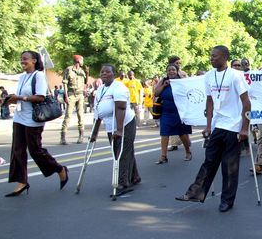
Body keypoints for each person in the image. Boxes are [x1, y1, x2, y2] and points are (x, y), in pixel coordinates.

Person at [175, 45, 251, 212]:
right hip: (218, 125)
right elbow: (209, 101)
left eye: (215, 56)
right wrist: (208, 125)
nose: (211, 58)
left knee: (229, 166)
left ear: (224, 57)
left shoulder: (236, 76)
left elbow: (247, 103)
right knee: (209, 161)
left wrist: (244, 128)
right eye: (211, 56)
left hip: (233, 126)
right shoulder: (208, 76)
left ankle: (227, 201)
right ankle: (195, 193)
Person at [4, 50, 69, 197]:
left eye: (25, 59)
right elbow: (20, 96)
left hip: (33, 119)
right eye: (21, 59)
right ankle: (22, 182)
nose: (22, 61)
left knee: (35, 151)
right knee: (17, 150)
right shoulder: (22, 77)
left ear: (34, 60)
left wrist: (20, 98)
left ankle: (60, 169)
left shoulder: (39, 76)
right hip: (19, 118)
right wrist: (12, 99)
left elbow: (40, 97)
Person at [90, 64, 141, 196]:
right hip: (110, 125)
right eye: (102, 72)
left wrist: (119, 130)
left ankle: (123, 182)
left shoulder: (119, 88)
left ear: (114, 74)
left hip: (125, 123)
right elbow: (98, 113)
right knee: (120, 150)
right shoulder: (100, 90)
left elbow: (121, 108)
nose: (104, 74)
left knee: (122, 152)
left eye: (107, 72)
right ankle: (135, 176)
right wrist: (94, 133)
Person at [153, 64, 193, 164]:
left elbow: (189, 94)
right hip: (166, 112)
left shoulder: (181, 82)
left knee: (182, 133)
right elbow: (156, 93)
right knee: (164, 134)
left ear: (177, 71)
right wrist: (164, 85)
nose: (171, 72)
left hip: (179, 112)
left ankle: (188, 152)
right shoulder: (163, 81)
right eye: (169, 70)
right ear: (166, 72)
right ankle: (163, 156)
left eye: (173, 70)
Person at [60, 54, 88, 144]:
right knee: (68, 115)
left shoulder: (82, 71)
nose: (83, 62)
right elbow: (65, 83)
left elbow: (86, 82)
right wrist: (66, 95)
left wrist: (87, 73)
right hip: (71, 94)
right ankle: (63, 137)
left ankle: (81, 136)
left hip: (80, 95)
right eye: (82, 60)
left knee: (80, 115)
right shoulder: (69, 69)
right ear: (78, 61)